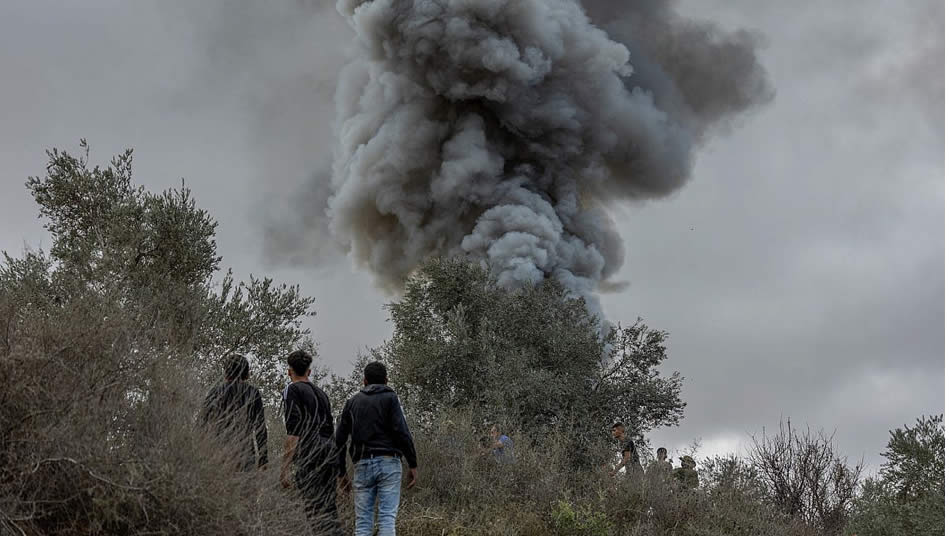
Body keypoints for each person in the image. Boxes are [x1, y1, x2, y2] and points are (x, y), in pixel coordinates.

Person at [335, 361, 418, 536]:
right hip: (389, 462)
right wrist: (412, 464)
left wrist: (341, 473)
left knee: (363, 522)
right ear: (386, 380)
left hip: (362, 465)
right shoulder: (391, 398)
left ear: (364, 381)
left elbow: (340, 439)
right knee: (387, 518)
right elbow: (402, 432)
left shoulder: (352, 402)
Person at [280, 350, 343, 536]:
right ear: (309, 371)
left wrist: (284, 468)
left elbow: (294, 432)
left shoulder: (293, 390)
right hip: (329, 451)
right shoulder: (322, 394)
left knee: (313, 509)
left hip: (310, 452)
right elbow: (331, 429)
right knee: (330, 510)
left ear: (289, 371)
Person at [201, 354, 268, 472]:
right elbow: (260, 427)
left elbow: (202, 422)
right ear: (246, 374)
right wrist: (263, 458)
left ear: (226, 372)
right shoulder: (253, 393)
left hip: (218, 451)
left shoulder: (215, 392)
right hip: (246, 453)